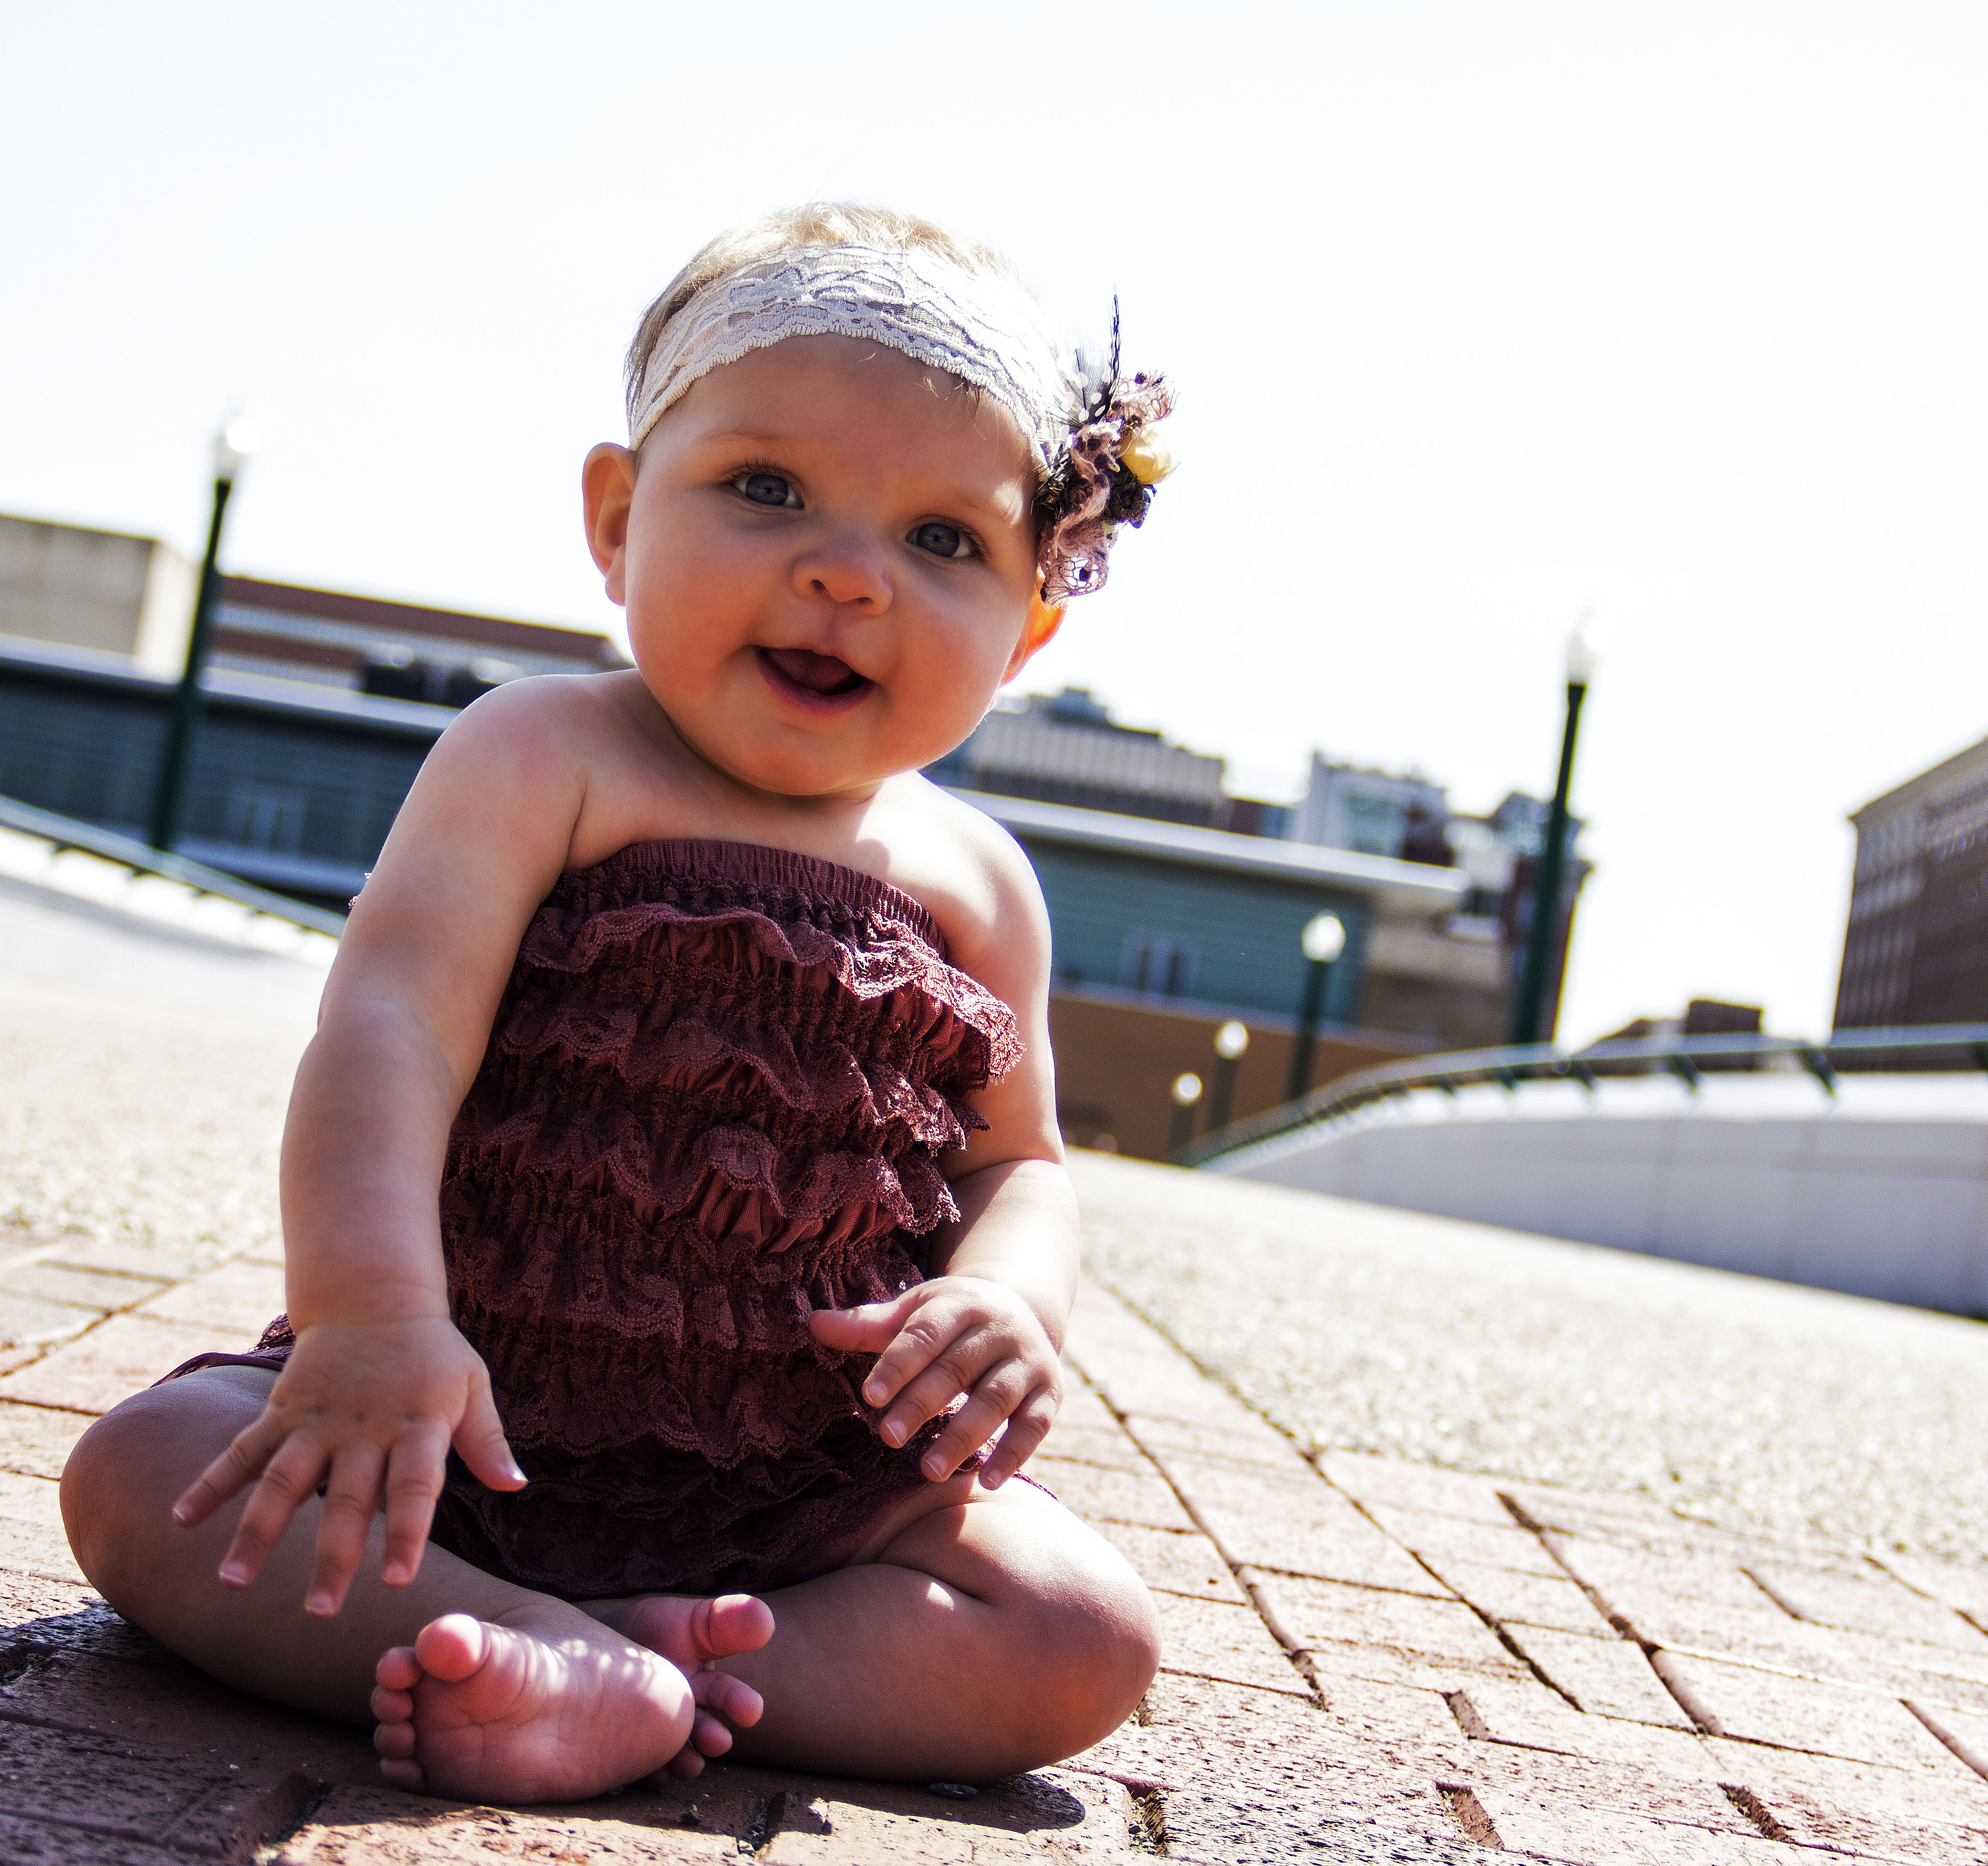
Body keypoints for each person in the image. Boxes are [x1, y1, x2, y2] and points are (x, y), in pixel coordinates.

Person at [63, 203, 1176, 1806]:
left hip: (808, 1490)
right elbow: (393, 1030)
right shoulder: (542, 755)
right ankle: (518, 1634)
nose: (845, 573)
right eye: (767, 489)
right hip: (453, 1422)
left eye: (944, 540)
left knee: (1083, 1632)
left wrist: (1009, 1298)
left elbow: (1021, 1161)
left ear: (1032, 628)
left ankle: (671, 1668)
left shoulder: (982, 882)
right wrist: (371, 1318)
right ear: (618, 515)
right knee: (141, 1478)